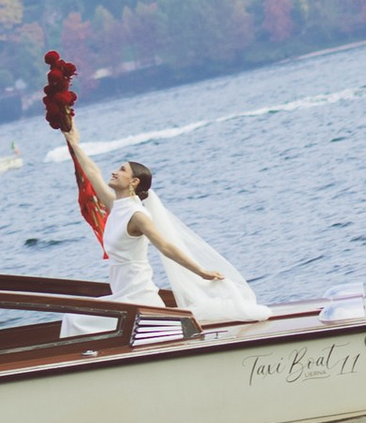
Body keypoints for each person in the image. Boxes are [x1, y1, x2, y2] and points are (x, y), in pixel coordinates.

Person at [56, 105, 265, 326]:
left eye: (122, 170)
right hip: (122, 295)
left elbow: (166, 247)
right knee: (74, 318)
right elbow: (92, 173)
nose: (114, 172)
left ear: (134, 182)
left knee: (74, 320)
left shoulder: (137, 215)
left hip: (137, 297)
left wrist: (201, 272)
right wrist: (73, 141)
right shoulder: (116, 206)